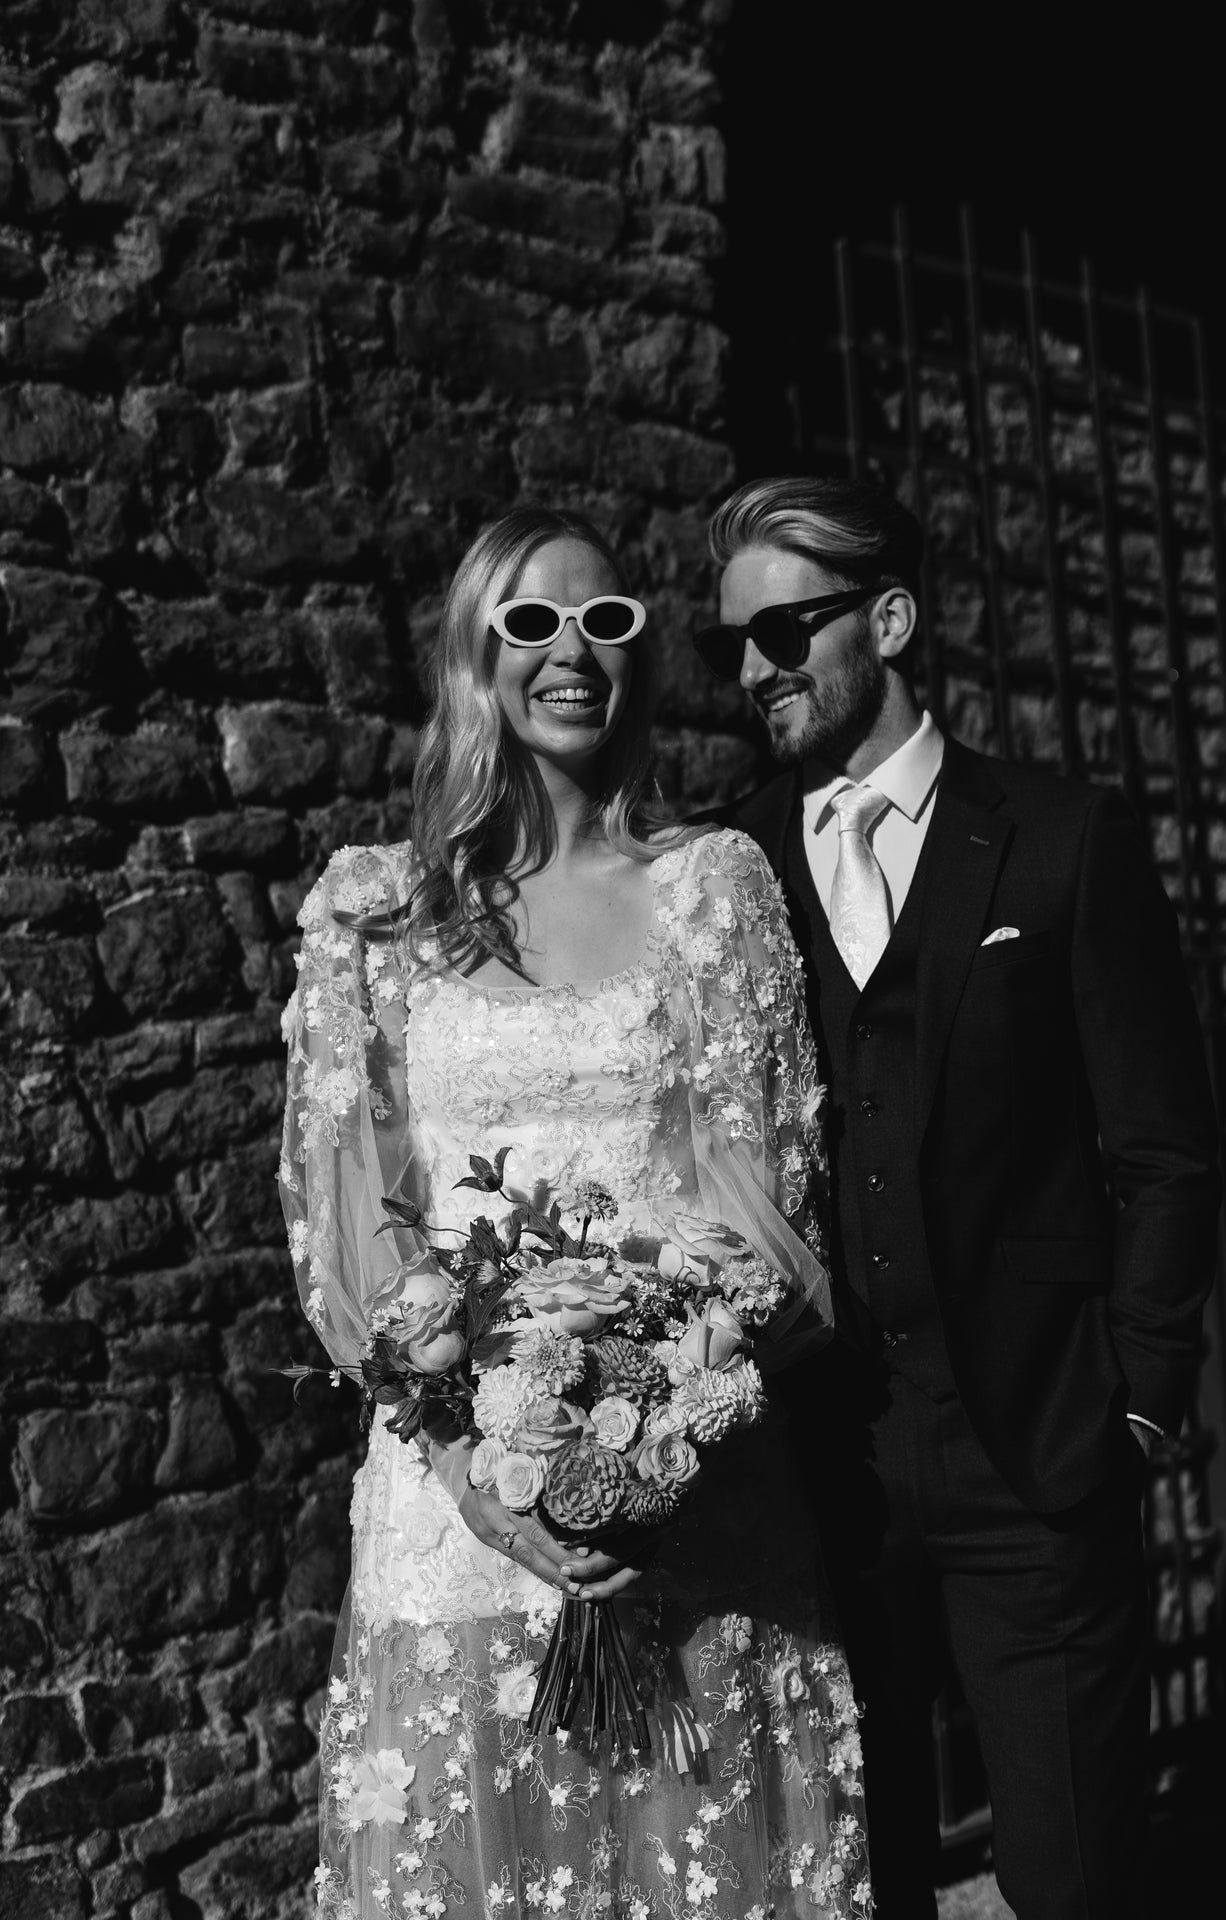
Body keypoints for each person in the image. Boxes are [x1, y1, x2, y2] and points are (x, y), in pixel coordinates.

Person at [279, 505, 872, 1920]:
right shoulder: (381, 917)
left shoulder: (711, 894)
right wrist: (486, 1477)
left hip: (694, 1501)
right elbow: (347, 1229)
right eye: (528, 622)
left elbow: (773, 1212)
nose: (569, 652)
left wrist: (663, 1433)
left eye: (604, 622)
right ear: (473, 660)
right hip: (452, 1507)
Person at [697, 476, 1222, 1920]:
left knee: (1072, 1874)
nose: (754, 672)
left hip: (1035, 1447)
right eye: (731, 645)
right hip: (819, 1475)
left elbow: (1164, 1149)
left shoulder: (1060, 840)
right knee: (856, 1883)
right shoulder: (726, 866)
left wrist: (1139, 1392)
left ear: (889, 618)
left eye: (785, 630)